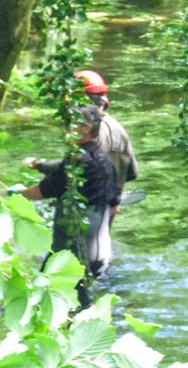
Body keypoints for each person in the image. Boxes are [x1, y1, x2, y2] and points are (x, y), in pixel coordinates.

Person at [16, 104, 120, 308]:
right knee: (83, 305)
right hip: (100, 251)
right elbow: (115, 208)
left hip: (71, 254)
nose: (65, 129)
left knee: (46, 301)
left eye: (70, 124)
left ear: (86, 128)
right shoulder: (105, 161)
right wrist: (41, 165)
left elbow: (42, 191)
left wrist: (17, 194)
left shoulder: (78, 160)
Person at [28, 70, 138, 229]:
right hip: (108, 207)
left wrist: (43, 165)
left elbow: (80, 166)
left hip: (86, 211)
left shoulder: (87, 130)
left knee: (75, 250)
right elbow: (132, 172)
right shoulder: (118, 128)